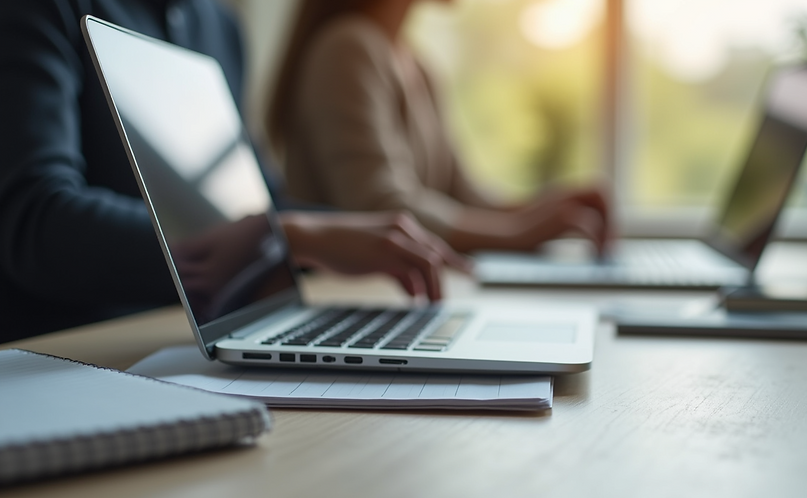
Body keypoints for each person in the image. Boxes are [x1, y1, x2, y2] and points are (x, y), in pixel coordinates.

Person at [0, 0, 467, 344]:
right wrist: (285, 236)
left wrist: (351, 232)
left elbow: (261, 204)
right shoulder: (39, 11)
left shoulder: (217, 24)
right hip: (64, 360)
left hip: (187, 343)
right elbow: (35, 221)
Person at [266, 0, 613, 254]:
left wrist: (547, 210)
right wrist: (518, 232)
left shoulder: (416, 64)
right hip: (344, 300)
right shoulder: (347, 47)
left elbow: (462, 196)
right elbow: (382, 210)